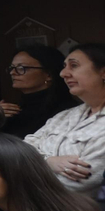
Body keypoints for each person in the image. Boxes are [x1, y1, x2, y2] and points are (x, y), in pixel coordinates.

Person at [24, 42, 105, 198]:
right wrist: (49, 162)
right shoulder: (65, 116)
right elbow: (22, 149)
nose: (63, 73)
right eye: (64, 66)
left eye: (73, 66)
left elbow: (78, 184)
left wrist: (28, 168)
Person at [0, 46, 78, 139]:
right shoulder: (11, 108)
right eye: (12, 68)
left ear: (48, 74)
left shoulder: (65, 110)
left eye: (21, 68)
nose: (12, 72)